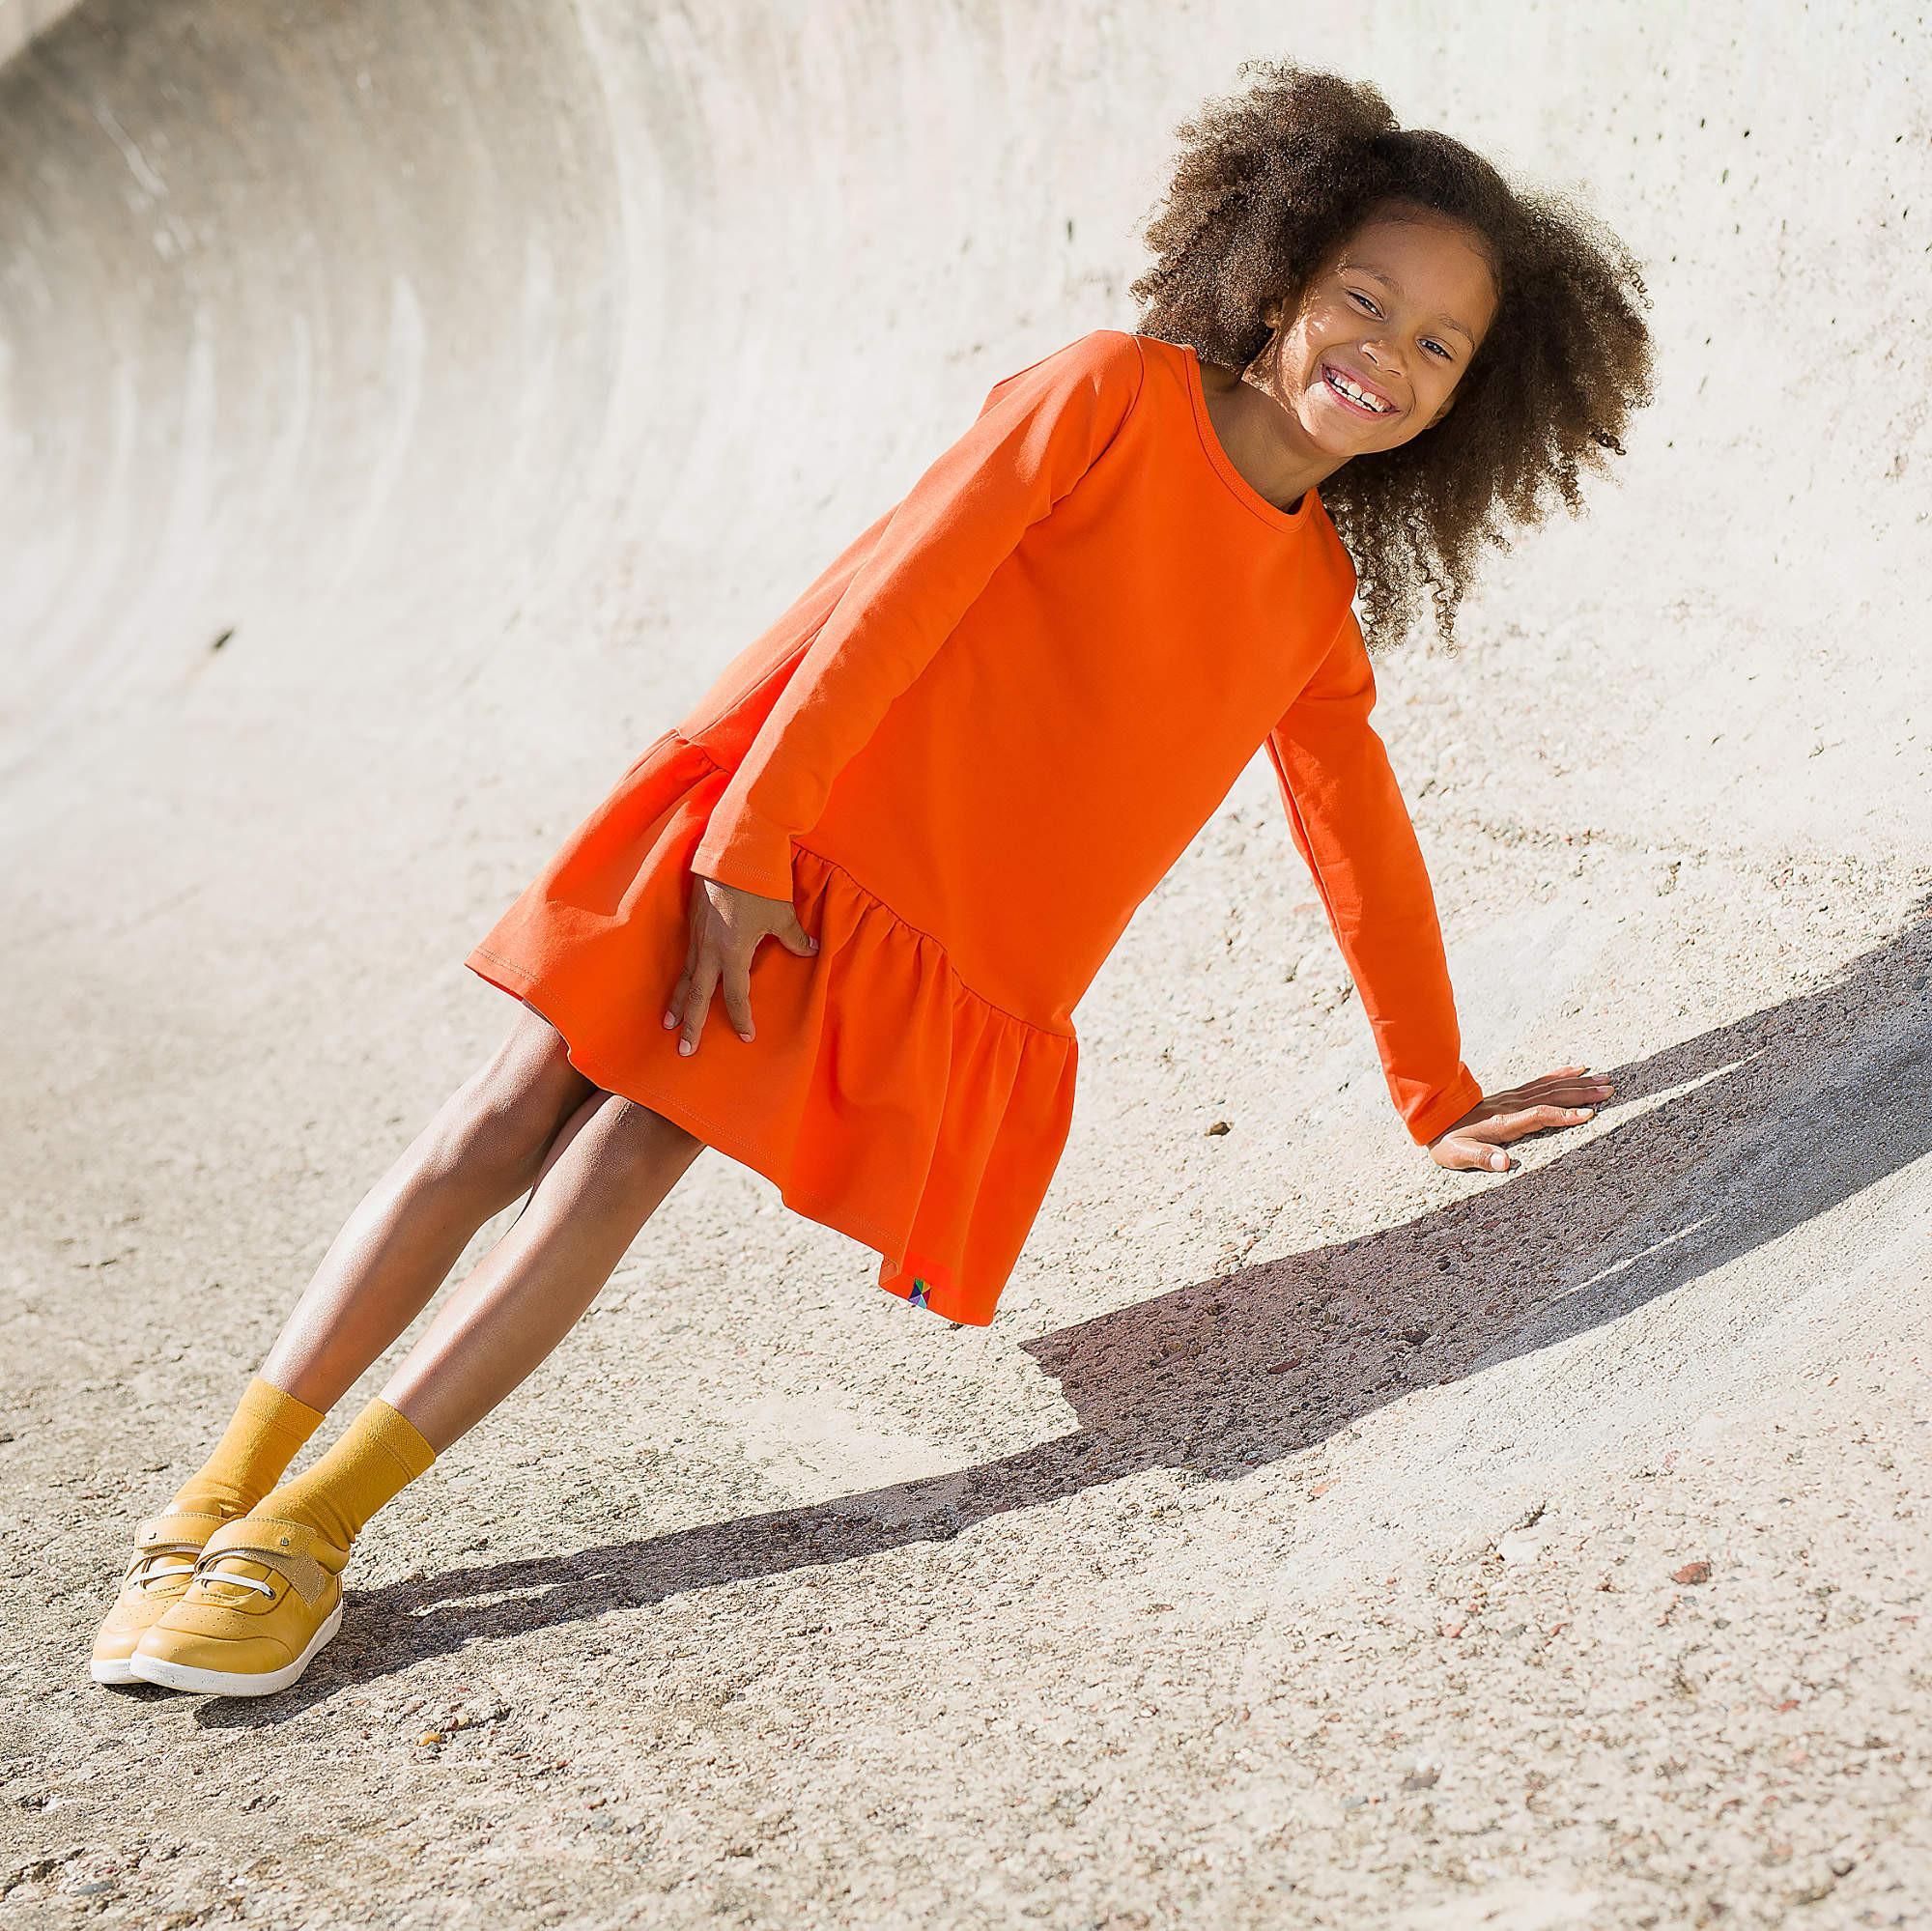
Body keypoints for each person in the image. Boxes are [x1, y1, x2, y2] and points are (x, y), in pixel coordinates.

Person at [91, 60, 1655, 1697]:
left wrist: (1437, 1088)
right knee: (503, 1120)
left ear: (1472, 396)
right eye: (1363, 299)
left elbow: (1360, 836)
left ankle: (311, 1531)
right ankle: (214, 1495)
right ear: (1274, 278)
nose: (1385, 355)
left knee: (624, 1160)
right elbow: (897, 594)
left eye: (1437, 346)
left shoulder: (1312, 606)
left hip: (896, 930)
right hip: (775, 836)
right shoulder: (1109, 393)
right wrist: (748, 840)